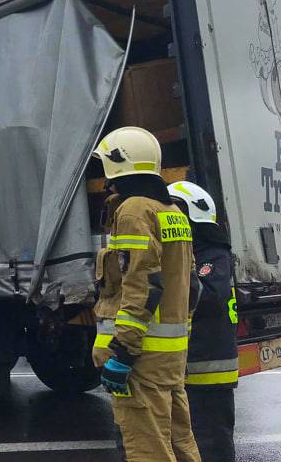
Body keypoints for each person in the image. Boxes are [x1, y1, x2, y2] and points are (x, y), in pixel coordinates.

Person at [91, 126, 201, 462]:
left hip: (140, 357)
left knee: (148, 449)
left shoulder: (134, 211)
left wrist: (123, 351)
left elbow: (142, 285)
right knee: (180, 442)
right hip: (168, 357)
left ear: (118, 166)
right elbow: (192, 286)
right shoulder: (173, 212)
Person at [168, 181, 238, 462]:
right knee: (191, 437)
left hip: (210, 368)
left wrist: (172, 275)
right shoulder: (196, 252)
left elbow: (208, 295)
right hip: (193, 364)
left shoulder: (213, 254)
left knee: (212, 440)